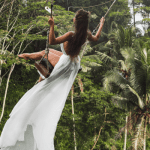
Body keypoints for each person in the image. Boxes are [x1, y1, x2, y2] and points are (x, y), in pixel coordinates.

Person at [0, 9, 105, 150]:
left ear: (75, 21)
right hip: (74, 64)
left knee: (44, 72)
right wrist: (102, 24)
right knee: (43, 55)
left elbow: (52, 41)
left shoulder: (70, 35)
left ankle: (25, 61)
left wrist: (51, 25)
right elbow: (96, 38)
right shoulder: (86, 34)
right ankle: (28, 60)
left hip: (66, 63)